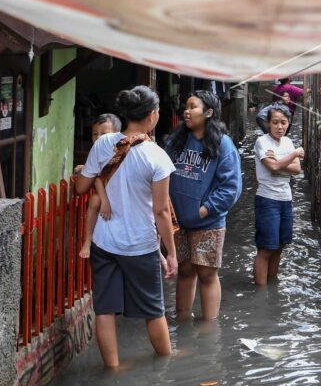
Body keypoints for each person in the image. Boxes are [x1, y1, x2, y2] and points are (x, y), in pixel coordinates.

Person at [75, 86, 178, 362]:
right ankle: (166, 365)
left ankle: (113, 368)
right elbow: (161, 212)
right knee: (153, 311)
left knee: (105, 310)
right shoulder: (157, 157)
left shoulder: (102, 144)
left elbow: (81, 187)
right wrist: (171, 253)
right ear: (152, 116)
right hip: (140, 245)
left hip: (104, 242)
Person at [165, 90, 242, 320]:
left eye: (192, 107)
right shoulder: (176, 140)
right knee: (185, 271)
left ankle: (209, 329)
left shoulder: (223, 144)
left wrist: (205, 209)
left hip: (208, 221)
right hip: (178, 221)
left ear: (208, 112)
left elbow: (232, 188)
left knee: (207, 274)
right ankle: (182, 320)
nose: (186, 112)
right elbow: (162, 174)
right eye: (186, 107)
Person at [253, 105, 303, 285]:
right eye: (275, 122)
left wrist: (280, 162)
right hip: (267, 199)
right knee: (266, 248)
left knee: (280, 246)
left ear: (288, 123)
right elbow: (272, 168)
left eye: (283, 123)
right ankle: (261, 293)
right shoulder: (262, 142)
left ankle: (272, 286)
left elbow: (297, 169)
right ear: (268, 123)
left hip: (285, 199)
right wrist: (295, 154)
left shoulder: (287, 142)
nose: (279, 127)